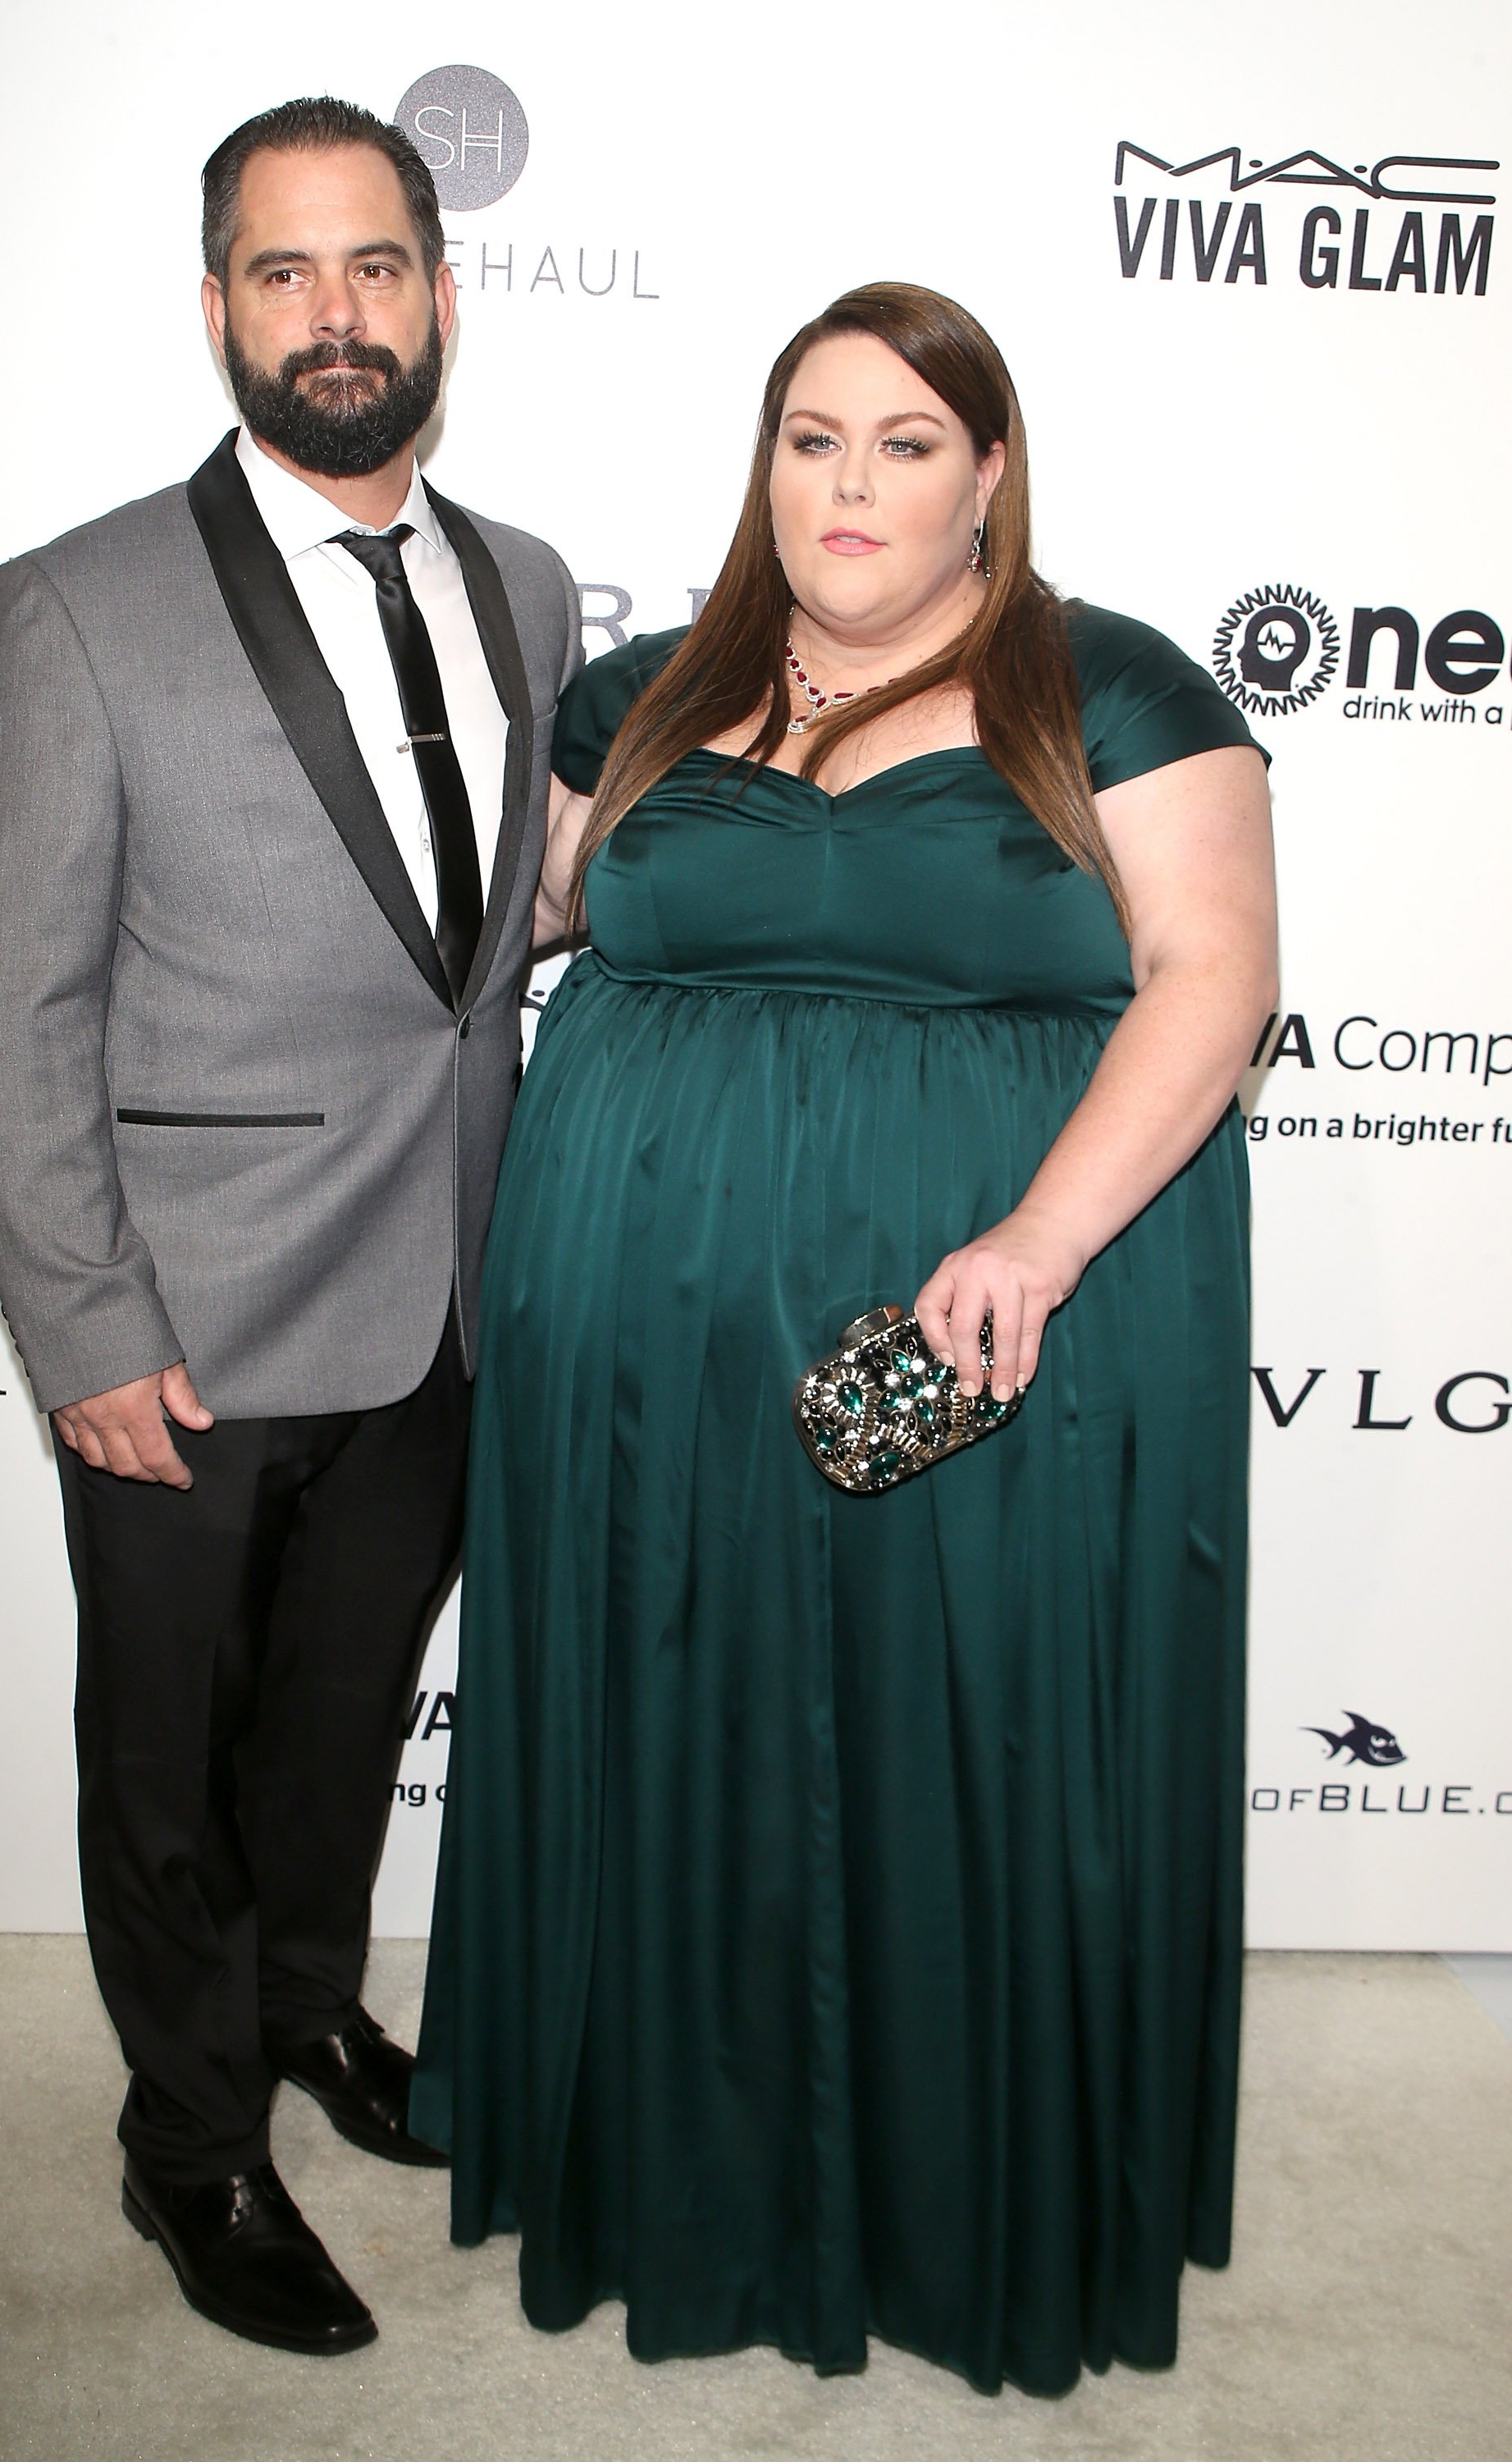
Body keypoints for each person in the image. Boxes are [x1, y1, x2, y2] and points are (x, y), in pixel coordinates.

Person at [413, 281, 1277, 2397]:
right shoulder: (639, 691)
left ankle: (963, 2198)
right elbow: (487, 931)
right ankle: (669, 2164)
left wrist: (1041, 1242)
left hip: (988, 1327)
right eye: (814, 438)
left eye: (907, 440)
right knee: (669, 1706)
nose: (854, 483)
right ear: (765, 467)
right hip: (638, 1332)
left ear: (989, 466)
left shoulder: (1116, 688)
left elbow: (1213, 979)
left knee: (964, 1731)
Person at [0, 96, 579, 2355]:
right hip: (184, 1329)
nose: (339, 315)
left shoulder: (524, 586)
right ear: (217, 306)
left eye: (378, 266)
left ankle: (312, 2014)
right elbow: (7, 998)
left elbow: (480, 947)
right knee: (172, 1773)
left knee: (335, 1732)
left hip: (441, 1303)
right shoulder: (77, 605)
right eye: (286, 272)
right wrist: (81, 1322)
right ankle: (191, 2144)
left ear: (441, 290)